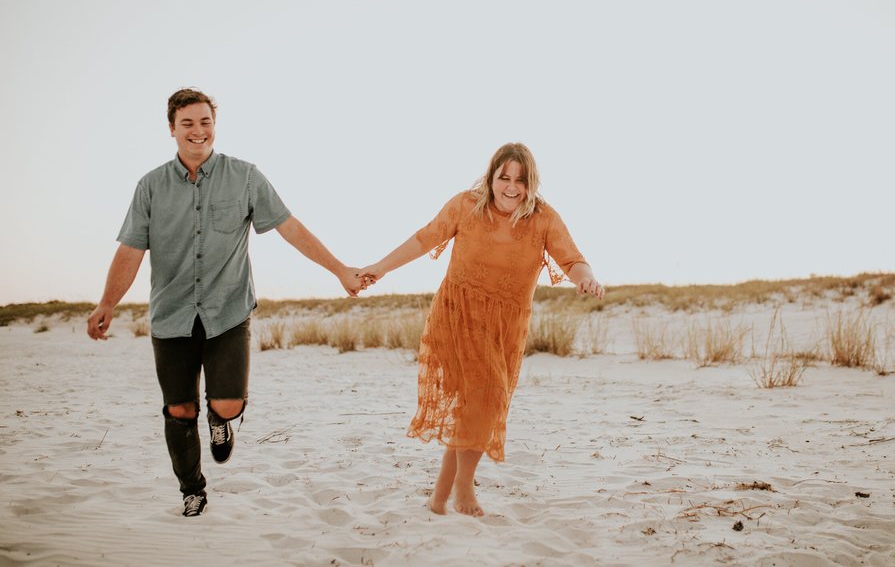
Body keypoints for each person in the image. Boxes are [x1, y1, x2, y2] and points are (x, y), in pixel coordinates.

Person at [86, 88, 371, 517]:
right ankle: (192, 488)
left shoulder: (245, 176)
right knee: (180, 409)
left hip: (228, 312)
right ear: (172, 130)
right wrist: (106, 302)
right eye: (188, 124)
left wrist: (339, 269)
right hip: (172, 315)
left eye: (205, 122)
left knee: (228, 403)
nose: (198, 131)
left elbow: (290, 228)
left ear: (213, 127)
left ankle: (221, 424)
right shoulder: (150, 186)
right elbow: (130, 249)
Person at [359, 142, 604, 516]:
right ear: (491, 178)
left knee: (476, 407)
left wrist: (587, 279)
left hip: (505, 327)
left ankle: (440, 496)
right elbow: (424, 238)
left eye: (520, 180)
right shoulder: (465, 205)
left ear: (531, 184)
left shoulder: (544, 218)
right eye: (504, 177)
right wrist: (380, 267)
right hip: (457, 317)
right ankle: (463, 488)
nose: (511, 187)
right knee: (485, 398)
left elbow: (571, 258)